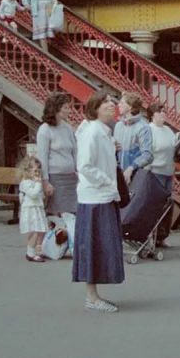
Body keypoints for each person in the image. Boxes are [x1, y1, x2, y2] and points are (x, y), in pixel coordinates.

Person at [73, 92, 124, 312]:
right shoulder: (92, 132)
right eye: (105, 103)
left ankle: (93, 295)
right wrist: (106, 182)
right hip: (95, 197)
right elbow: (85, 165)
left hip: (102, 195)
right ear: (95, 109)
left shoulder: (102, 132)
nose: (111, 105)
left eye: (112, 102)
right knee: (94, 245)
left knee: (101, 245)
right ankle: (91, 297)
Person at [37, 93, 78, 222]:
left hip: (71, 177)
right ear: (56, 109)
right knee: (57, 214)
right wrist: (45, 181)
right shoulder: (45, 129)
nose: (69, 111)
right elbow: (42, 157)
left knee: (72, 213)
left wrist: (78, 171)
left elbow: (75, 151)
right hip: (55, 178)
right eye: (65, 108)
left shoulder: (68, 128)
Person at [145, 100, 178, 246]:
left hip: (168, 171)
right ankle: (150, 235)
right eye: (160, 112)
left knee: (166, 206)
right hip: (155, 172)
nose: (163, 114)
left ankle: (161, 236)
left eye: (164, 111)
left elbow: (174, 145)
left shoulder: (168, 130)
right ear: (152, 115)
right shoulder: (149, 130)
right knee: (154, 206)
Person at [113, 92, 153, 180]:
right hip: (118, 176)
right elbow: (115, 153)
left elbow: (148, 155)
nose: (118, 105)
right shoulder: (118, 126)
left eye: (122, 103)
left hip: (135, 175)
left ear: (130, 106)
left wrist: (132, 167)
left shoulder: (143, 127)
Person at [18, 156, 48, 263]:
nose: (37, 173)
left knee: (41, 230)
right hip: (30, 209)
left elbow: (40, 195)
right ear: (27, 170)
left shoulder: (34, 181)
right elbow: (34, 194)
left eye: (39, 170)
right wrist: (39, 183)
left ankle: (38, 249)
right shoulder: (25, 182)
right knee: (34, 231)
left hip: (37, 208)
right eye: (35, 170)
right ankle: (30, 252)